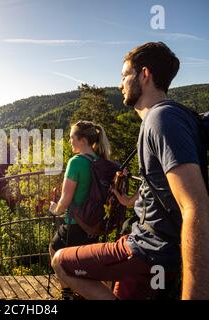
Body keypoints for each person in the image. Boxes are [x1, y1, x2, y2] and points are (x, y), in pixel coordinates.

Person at [51, 41, 209, 300]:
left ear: (144, 75)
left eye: (125, 75)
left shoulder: (161, 120)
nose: (120, 84)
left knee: (61, 261)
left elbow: (195, 206)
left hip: (149, 248)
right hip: (156, 248)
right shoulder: (178, 116)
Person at [48, 120, 111, 299]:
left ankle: (67, 291)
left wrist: (55, 209)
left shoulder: (76, 162)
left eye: (71, 137)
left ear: (82, 140)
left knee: (55, 251)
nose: (69, 141)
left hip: (75, 224)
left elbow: (65, 202)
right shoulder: (100, 161)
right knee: (83, 263)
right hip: (94, 224)